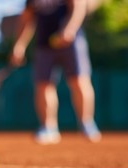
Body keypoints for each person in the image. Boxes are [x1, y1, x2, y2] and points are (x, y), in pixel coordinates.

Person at [10, 0, 103, 144]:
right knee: (43, 85)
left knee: (79, 81)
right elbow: (27, 19)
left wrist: (69, 29)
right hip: (43, 45)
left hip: (72, 42)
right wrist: (19, 45)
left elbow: (78, 7)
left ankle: (87, 125)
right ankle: (48, 128)